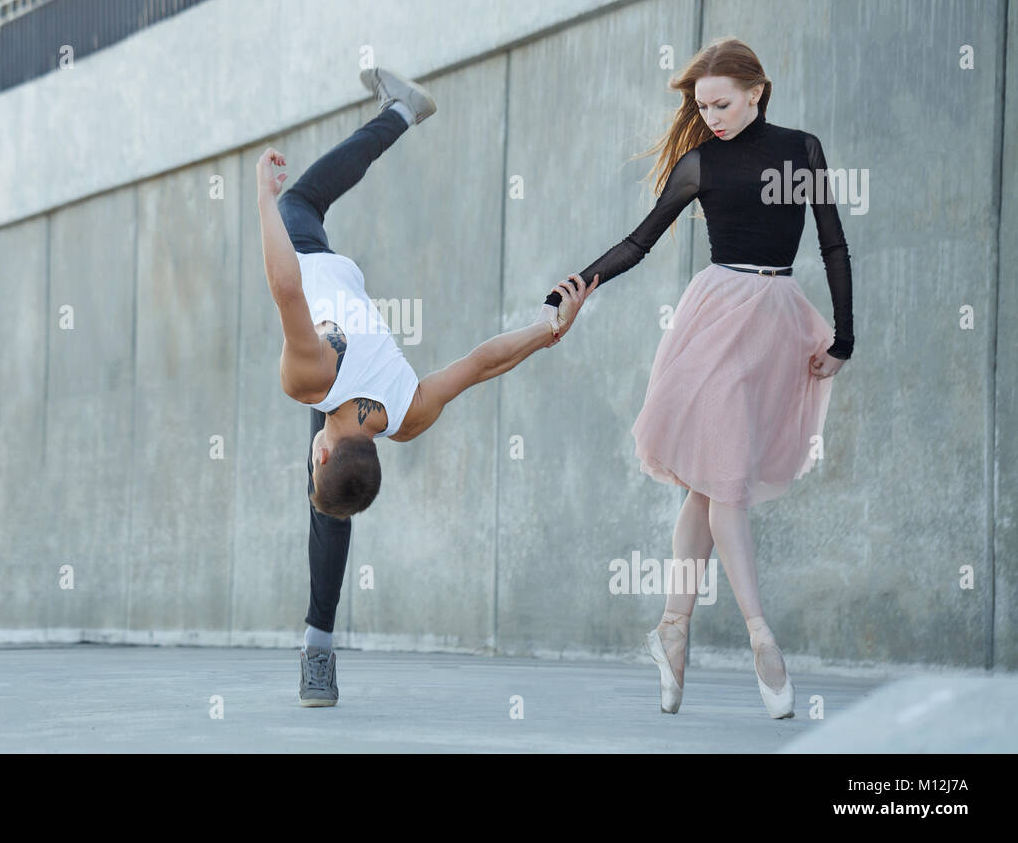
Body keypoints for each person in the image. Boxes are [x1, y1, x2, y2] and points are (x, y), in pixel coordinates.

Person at [256, 67, 597, 707]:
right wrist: (261, 194)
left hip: (331, 286)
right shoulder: (307, 379)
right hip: (320, 283)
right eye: (313, 464)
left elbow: (481, 362)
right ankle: (403, 112)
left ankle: (403, 112)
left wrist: (549, 327)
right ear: (320, 451)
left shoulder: (411, 415)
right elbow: (284, 288)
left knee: (333, 504)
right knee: (296, 202)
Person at [541, 36, 854, 718]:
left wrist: (845, 337)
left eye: (722, 103)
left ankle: (672, 628)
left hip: (778, 324)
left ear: (756, 92)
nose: (711, 115)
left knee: (710, 487)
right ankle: (761, 639)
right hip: (714, 324)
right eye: (702, 105)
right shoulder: (701, 164)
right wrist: (574, 287)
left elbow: (831, 240)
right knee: (728, 487)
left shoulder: (801, 151)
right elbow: (638, 240)